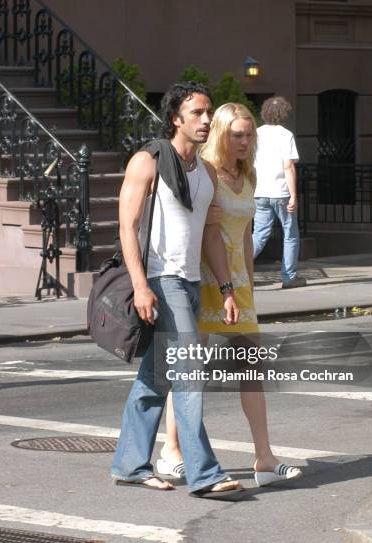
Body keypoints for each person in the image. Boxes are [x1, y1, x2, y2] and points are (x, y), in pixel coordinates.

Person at [157, 103, 303, 487]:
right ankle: (171, 451)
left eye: (249, 133)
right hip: (204, 283)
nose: (244, 140)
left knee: (252, 371)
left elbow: (244, 235)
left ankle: (264, 459)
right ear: (221, 134)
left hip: (237, 285)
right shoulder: (205, 175)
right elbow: (198, 232)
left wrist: (248, 289)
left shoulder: (247, 175)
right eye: (237, 134)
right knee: (191, 372)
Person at [111, 82, 244, 498]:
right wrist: (140, 286)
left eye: (209, 113)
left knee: (156, 377)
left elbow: (210, 235)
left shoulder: (204, 172)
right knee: (189, 374)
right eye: (198, 113)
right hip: (159, 280)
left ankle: (129, 464)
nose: (207, 120)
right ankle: (205, 474)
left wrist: (225, 288)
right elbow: (127, 228)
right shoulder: (147, 162)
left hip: (188, 283)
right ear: (176, 119)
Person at [251, 96, 306, 289]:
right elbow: (288, 166)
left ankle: (237, 270)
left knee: (259, 234)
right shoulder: (286, 135)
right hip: (281, 192)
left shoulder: (255, 134)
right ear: (285, 114)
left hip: (259, 191)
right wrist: (294, 195)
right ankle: (289, 277)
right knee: (290, 234)